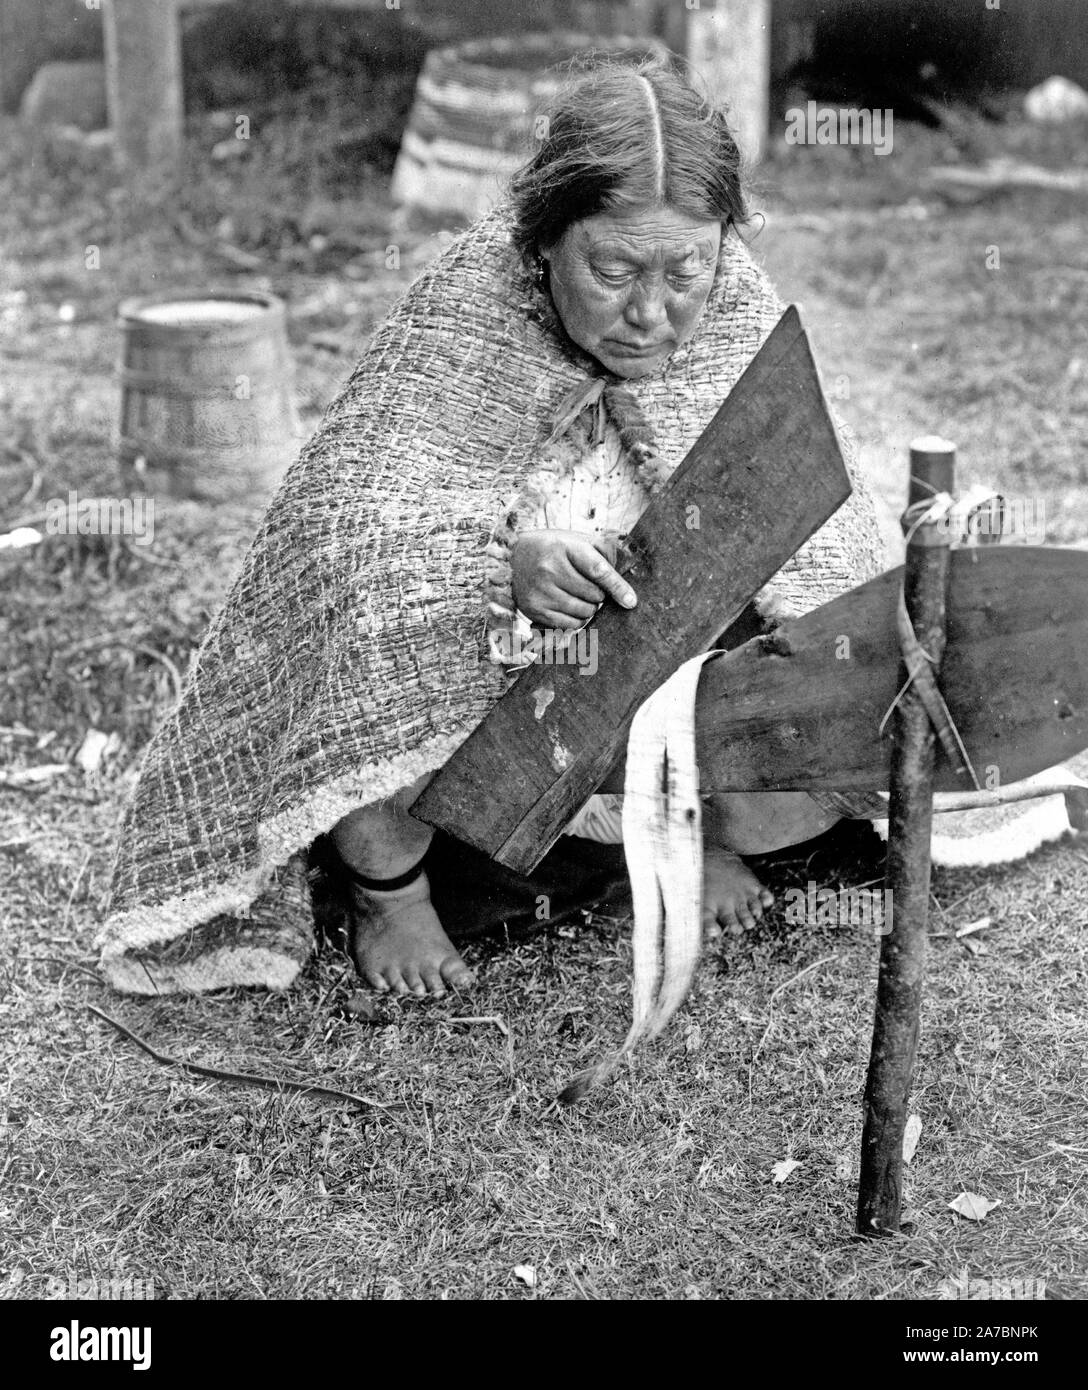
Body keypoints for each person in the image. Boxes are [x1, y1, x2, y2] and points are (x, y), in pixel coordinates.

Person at [100, 57, 887, 999]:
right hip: (482, 707)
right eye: (613, 270)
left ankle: (695, 838)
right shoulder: (468, 319)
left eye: (688, 271)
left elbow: (818, 534)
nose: (652, 312)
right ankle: (391, 895)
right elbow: (351, 536)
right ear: (544, 242)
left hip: (658, 700)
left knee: (797, 649)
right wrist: (501, 567)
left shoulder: (727, 312)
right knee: (373, 634)